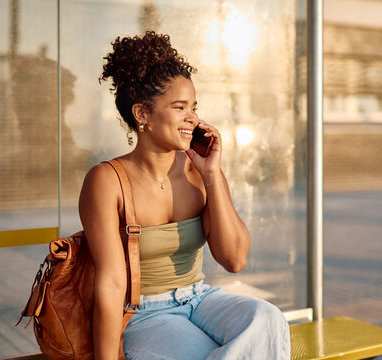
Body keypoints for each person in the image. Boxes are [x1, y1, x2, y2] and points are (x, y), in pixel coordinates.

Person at [79, 31, 290, 360]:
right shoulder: (107, 181)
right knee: (203, 353)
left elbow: (235, 259)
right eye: (180, 108)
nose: (192, 118)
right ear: (142, 114)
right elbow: (110, 284)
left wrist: (212, 175)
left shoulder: (198, 171)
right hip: (144, 314)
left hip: (200, 298)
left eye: (194, 107)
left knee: (268, 319)